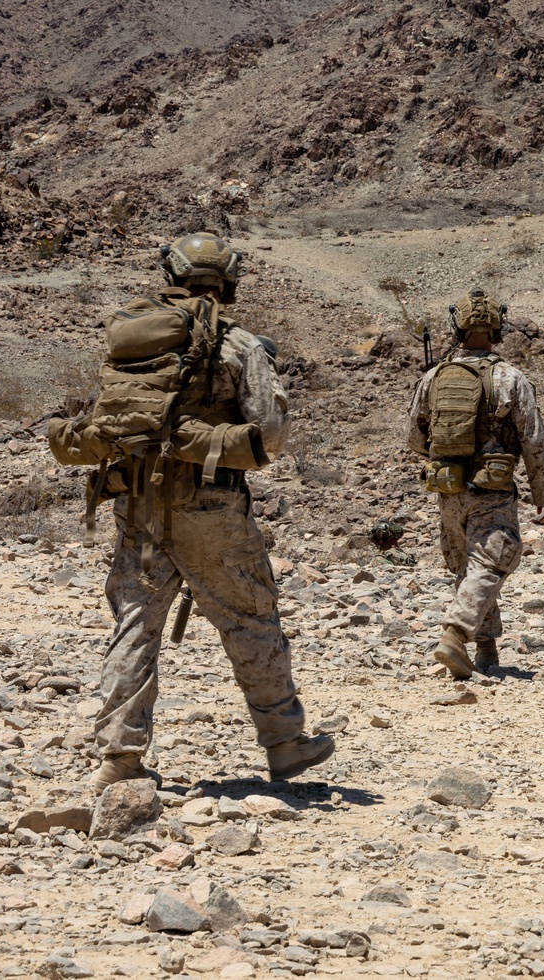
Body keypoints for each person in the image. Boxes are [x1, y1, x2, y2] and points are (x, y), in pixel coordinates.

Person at [50, 232, 334, 790]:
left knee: (135, 623)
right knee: (249, 617)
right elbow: (270, 437)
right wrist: (207, 438)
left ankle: (119, 757)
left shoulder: (135, 345)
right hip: (211, 506)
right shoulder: (238, 345)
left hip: (138, 504)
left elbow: (112, 422)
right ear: (227, 280)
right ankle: (284, 743)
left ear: (171, 274)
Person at [406, 289, 544, 679]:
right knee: (495, 557)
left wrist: (445, 460)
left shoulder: (433, 377)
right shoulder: (510, 378)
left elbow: (413, 437)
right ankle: (456, 635)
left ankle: (486, 650)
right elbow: (534, 440)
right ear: (496, 330)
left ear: (457, 328)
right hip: (491, 488)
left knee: (468, 566)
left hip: (448, 487)